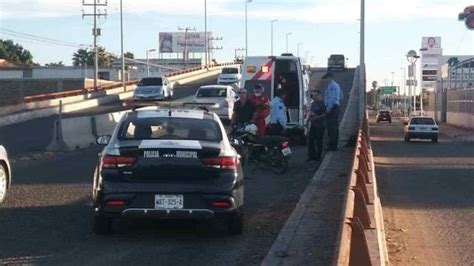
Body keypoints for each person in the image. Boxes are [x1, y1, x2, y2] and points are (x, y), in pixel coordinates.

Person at [322, 72, 343, 151]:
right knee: (333, 127)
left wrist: (328, 109)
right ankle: (333, 144)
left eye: (326, 78)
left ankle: (332, 145)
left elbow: (332, 98)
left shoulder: (332, 86)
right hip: (335, 107)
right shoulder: (335, 85)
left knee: (332, 128)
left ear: (330, 78)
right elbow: (341, 95)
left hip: (332, 108)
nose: (325, 80)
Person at [307, 90, 326, 161]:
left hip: (320, 125)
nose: (313, 97)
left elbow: (324, 114)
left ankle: (318, 156)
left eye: (315, 95)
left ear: (318, 95)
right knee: (311, 140)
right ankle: (311, 156)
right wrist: (308, 119)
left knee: (319, 141)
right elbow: (311, 112)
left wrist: (316, 118)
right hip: (313, 125)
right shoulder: (313, 104)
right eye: (313, 96)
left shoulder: (322, 104)